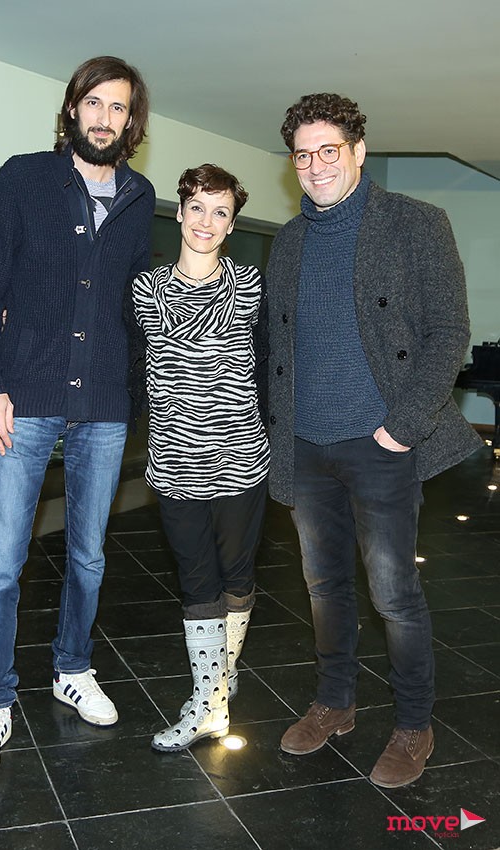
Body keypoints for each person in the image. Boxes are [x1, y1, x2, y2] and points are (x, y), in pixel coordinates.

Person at [267, 93, 482, 788]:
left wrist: (403, 427)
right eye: (302, 154)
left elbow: (449, 332)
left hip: (381, 443)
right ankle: (334, 703)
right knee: (323, 587)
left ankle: (414, 724)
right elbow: (276, 347)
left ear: (358, 152)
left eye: (328, 150)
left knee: (393, 593)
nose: (315, 165)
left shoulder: (416, 224)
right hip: (305, 447)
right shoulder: (289, 240)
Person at [0, 56, 155, 780]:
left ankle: (73, 668)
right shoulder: (25, 176)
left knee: (89, 557)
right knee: (0, 568)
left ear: (131, 122)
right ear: (72, 110)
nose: (105, 118)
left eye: (118, 107)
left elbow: (132, 302)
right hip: (25, 400)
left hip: (102, 404)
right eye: (93, 103)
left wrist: (143, 392)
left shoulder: (140, 196)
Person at [131, 164, 269, 751]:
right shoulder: (145, 290)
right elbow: (141, 363)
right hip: (175, 465)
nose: (206, 222)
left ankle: (219, 684)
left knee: (237, 578)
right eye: (197, 208)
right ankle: (210, 703)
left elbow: (266, 362)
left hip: (242, 460)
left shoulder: (253, 286)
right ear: (180, 212)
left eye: (220, 212)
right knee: (197, 583)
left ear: (231, 224)